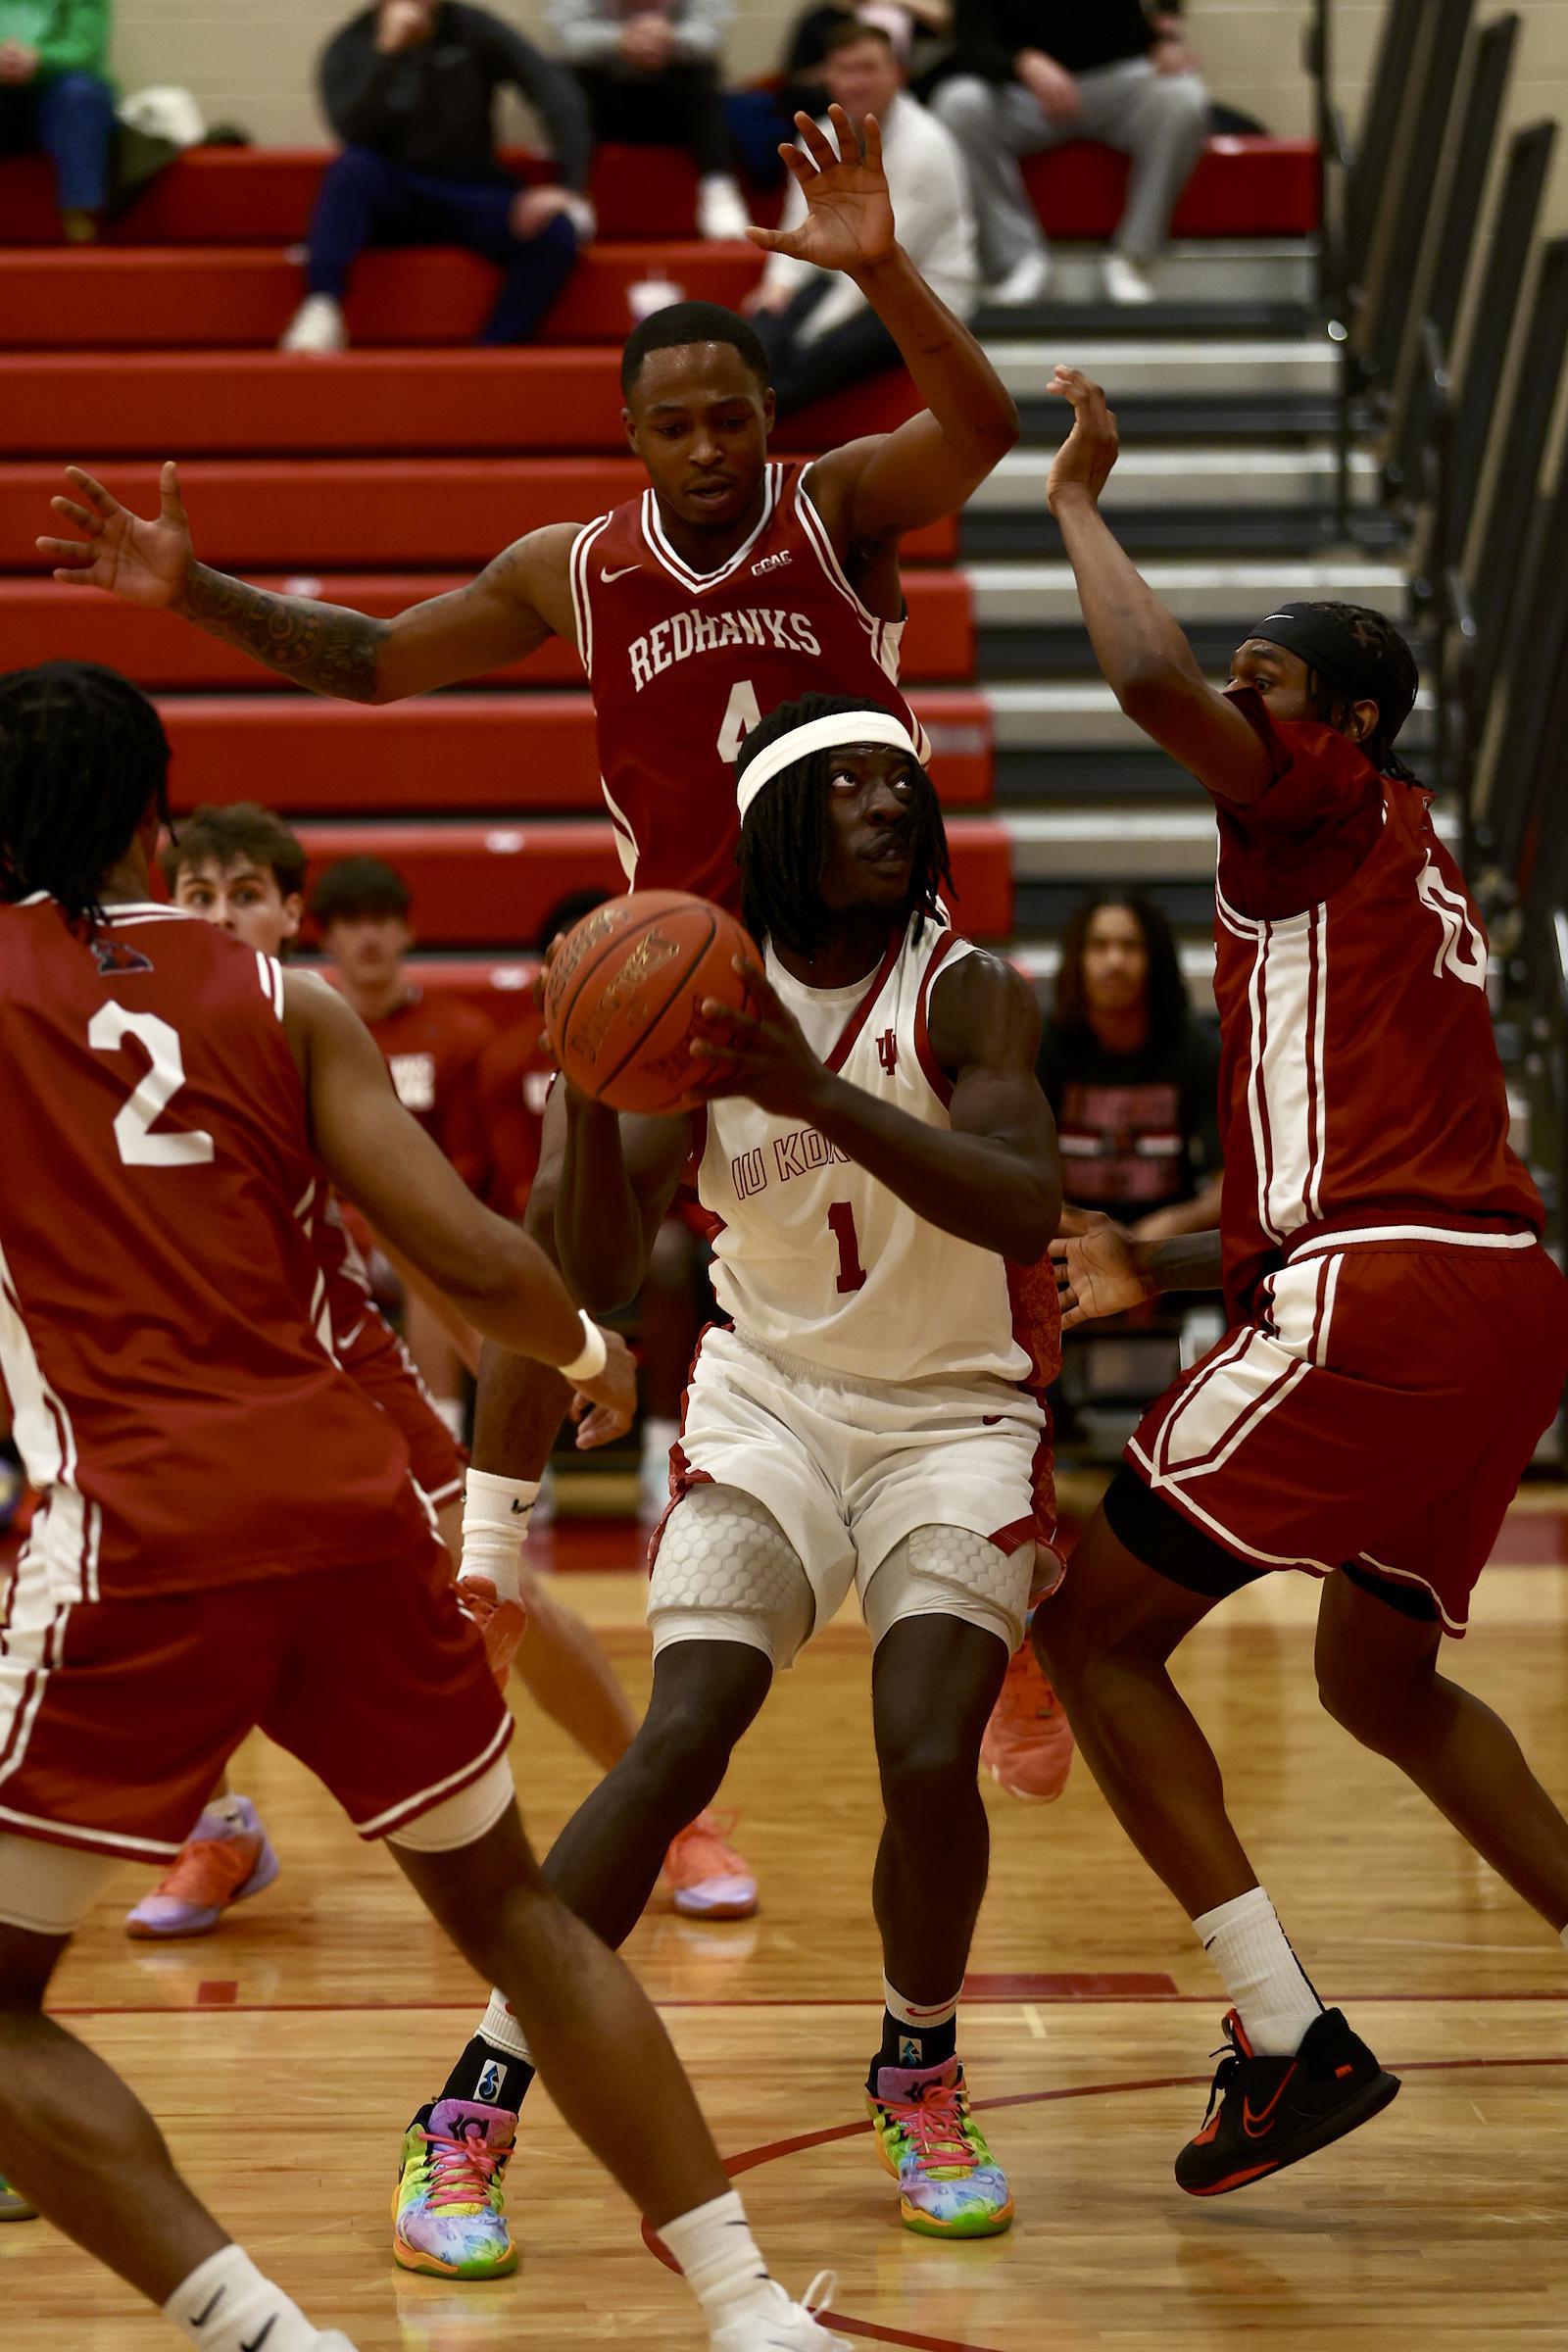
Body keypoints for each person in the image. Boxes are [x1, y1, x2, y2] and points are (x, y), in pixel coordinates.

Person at [40, 128, 1029, 2254]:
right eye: (676, 421)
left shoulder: (835, 507)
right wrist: (191, 595)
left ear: (762, 413)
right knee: (567, 1243)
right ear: (629, 435)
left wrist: (882, 273)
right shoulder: (576, 567)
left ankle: (975, 1550)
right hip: (685, 961)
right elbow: (371, 665)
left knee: (951, 1223)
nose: (709, 444)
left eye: (732, 411)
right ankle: (494, 1542)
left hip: (857, 932)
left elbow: (978, 429)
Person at [0, 662, 848, 2352]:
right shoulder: (288, 997)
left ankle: (270, 2338)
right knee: (520, 1917)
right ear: (158, 820)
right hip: (351, 1509)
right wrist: (590, 1352)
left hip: (137, 1530)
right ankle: (755, 2314)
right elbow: (463, 1251)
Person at [1034, 368, 1568, 2197]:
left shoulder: (1321, 801)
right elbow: (1359, 1175)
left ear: (1342, 723)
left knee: (1095, 1638)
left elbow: (1141, 681)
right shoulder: (1402, 863)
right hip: (1499, 1301)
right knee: (1379, 1683)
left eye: (1264, 684)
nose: (1231, 703)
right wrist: (1156, 1254)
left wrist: (1076, 505)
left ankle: (1286, 2039)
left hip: (1388, 1302)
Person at [452, 691, 1061, 2262]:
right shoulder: (703, 998)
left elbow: (1024, 1205)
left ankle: (919, 2067)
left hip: (954, 1419)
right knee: (679, 1741)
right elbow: (595, 1279)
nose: (889, 806)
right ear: (781, 821)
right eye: (848, 785)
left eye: (901, 783)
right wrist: (589, 1093)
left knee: (924, 1754)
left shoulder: (967, 991)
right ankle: (475, 2099)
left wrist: (820, 1093)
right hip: (772, 1401)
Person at [281, 0, 594, 356]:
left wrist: (569, 186)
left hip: (470, 190)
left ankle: (492, 354)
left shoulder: (473, 28)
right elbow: (351, 130)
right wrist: (386, 53)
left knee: (555, 231)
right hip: (393, 194)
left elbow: (554, 92)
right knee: (351, 168)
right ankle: (322, 305)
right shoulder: (352, 44)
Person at [310, 853, 494, 1436]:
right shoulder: (303, 1031)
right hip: (330, 1225)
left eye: (382, 919)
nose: (368, 936)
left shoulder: (461, 1033)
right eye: (351, 921)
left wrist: (402, 1219)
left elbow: (470, 1163)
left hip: (422, 1225)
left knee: (425, 1257)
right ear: (326, 937)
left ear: (408, 931)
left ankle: (446, 1440)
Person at [746, 24, 976, 417]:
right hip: (837, 275)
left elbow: (882, 261)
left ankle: (748, 423)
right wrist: (777, 287)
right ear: (827, 76)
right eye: (844, 69)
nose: (855, 82)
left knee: (812, 361)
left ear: (897, 73)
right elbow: (798, 225)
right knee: (760, 337)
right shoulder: (817, 135)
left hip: (921, 295)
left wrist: (810, 335)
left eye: (867, 68)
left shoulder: (927, 144)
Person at [929, 2, 1206, 304]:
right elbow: (971, 44)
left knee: (1184, 98)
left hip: (1117, 82)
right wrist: (1021, 62)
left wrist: (1167, 39)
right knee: (957, 104)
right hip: (1023, 95)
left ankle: (1133, 258)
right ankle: (1016, 261)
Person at [1040, 887, 1221, 1237]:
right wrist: (1095, 1237)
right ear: (1077, 958)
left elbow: (1229, 1186)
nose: (1115, 961)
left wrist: (1163, 1231)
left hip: (1166, 1248)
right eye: (1099, 946)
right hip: (1067, 1245)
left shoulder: (1197, 1050)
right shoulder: (1041, 1047)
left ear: (1155, 959)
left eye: (1131, 946)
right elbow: (1017, 1185)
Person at [548, 0, 748, 241]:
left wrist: (669, 38)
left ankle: (718, 188)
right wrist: (621, 40)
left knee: (702, 73)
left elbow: (711, 35)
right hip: (605, 100)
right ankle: (574, 193)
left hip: (677, 102)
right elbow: (568, 37)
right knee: (565, 77)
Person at [0, 0, 117, 242]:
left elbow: (85, 50)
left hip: (61, 98)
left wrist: (38, 59)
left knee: (79, 94)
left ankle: (81, 222)